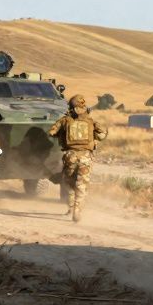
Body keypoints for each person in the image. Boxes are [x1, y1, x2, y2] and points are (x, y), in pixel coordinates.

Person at [47, 94, 106, 222]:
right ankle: (77, 210)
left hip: (70, 156)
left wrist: (62, 134)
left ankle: (70, 207)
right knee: (82, 184)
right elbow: (102, 135)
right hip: (86, 157)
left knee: (69, 184)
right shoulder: (91, 121)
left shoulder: (65, 120)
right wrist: (93, 137)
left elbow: (51, 132)